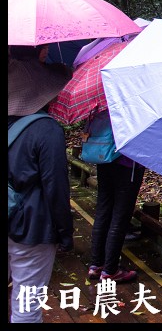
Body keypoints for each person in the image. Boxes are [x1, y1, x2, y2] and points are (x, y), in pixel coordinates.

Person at [8, 44, 74, 324]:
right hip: (32, 229)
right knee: (27, 302)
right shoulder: (47, 130)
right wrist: (65, 233)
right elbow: (56, 188)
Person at [85, 109, 145, 284]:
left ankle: (96, 264)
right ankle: (110, 270)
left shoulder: (109, 95)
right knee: (120, 214)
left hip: (104, 155)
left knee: (103, 209)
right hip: (127, 163)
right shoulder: (137, 100)